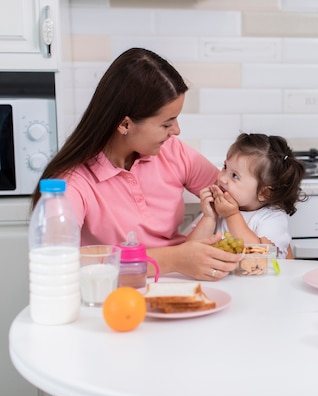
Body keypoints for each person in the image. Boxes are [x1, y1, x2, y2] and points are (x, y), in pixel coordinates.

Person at [31, 47, 240, 281]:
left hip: (183, 281)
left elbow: (237, 195)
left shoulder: (171, 151)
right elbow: (60, 263)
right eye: (166, 123)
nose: (177, 131)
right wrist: (175, 259)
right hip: (117, 298)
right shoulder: (72, 183)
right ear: (125, 125)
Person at [186, 133, 306, 259]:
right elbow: (188, 253)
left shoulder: (272, 218)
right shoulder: (217, 210)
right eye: (225, 167)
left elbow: (260, 256)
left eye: (235, 176)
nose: (223, 178)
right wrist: (209, 217)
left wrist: (232, 215)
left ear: (264, 193)